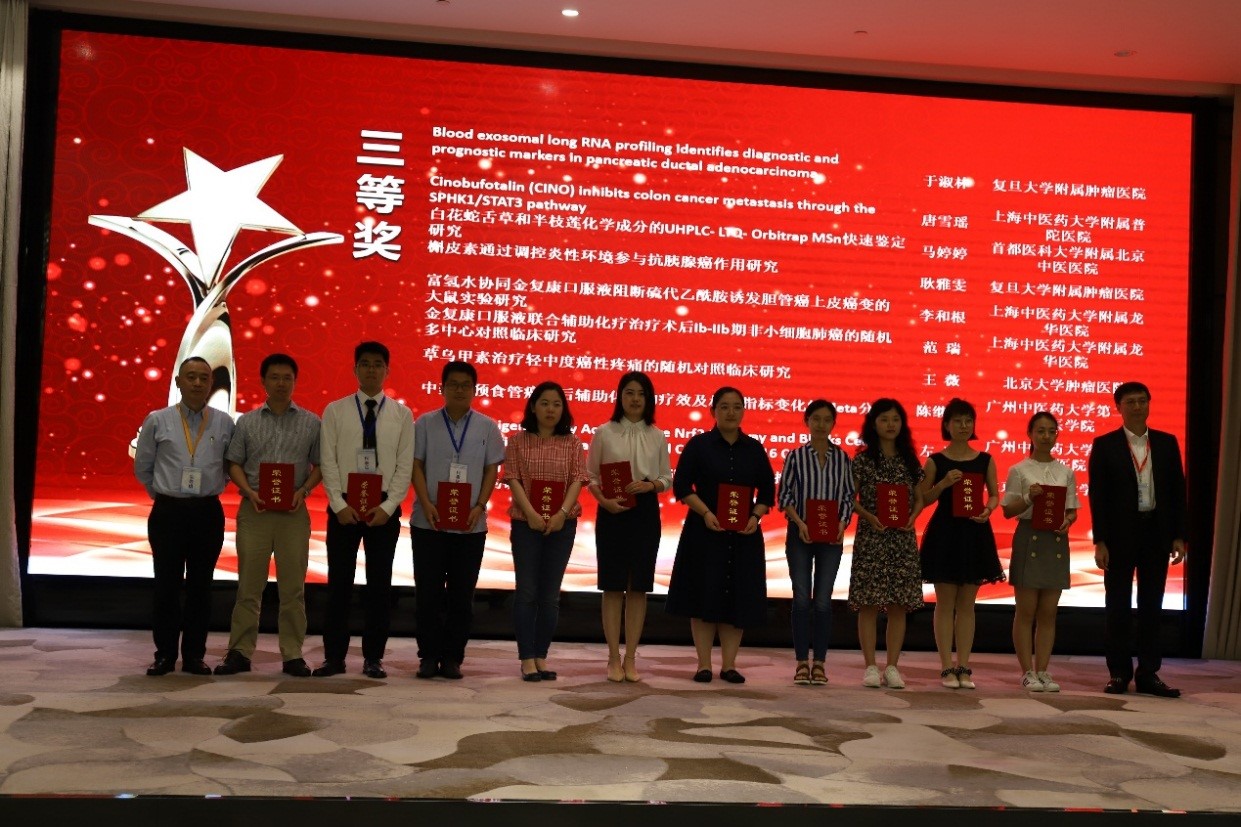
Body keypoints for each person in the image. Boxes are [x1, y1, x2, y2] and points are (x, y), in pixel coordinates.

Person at [214, 353, 322, 678]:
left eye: (287, 377)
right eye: (274, 377)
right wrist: (248, 491)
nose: (281, 383)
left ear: (295, 381)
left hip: (293, 513)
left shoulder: (311, 422)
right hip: (255, 510)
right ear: (263, 381)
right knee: (249, 586)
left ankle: (292, 654)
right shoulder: (247, 422)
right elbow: (233, 463)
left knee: (293, 589)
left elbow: (320, 465)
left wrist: (304, 491)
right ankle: (239, 652)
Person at [315, 342, 414, 679]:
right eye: (365, 364)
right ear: (355, 369)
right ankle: (334, 658)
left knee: (379, 587)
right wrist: (338, 504)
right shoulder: (335, 411)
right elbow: (328, 461)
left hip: (383, 509)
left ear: (387, 370)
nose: (371, 369)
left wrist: (389, 506)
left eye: (378, 364)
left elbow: (404, 466)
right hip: (343, 507)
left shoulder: (402, 415)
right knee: (339, 585)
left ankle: (374, 658)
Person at [133, 355, 235, 676]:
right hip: (168, 512)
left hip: (207, 512)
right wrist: (164, 495)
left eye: (204, 378)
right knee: (166, 586)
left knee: (201, 588)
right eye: (191, 377)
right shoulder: (157, 420)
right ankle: (164, 654)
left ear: (211, 383)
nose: (198, 383)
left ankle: (194, 656)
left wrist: (207, 488)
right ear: (178, 382)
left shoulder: (224, 422)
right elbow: (143, 466)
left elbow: (229, 468)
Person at [666, 387, 775, 684]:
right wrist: (705, 512)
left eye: (737, 407)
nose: (730, 412)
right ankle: (703, 665)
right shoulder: (699, 445)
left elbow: (767, 491)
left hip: (743, 535)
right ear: (713, 411)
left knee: (736, 596)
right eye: (724, 406)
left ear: (743, 411)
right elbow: (682, 486)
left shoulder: (754, 448)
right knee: (703, 595)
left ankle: (729, 665)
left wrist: (754, 516)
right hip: (705, 531)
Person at [1088, 381, 1187, 697]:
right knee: (1117, 605)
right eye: (1130, 401)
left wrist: (1179, 535)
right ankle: (1119, 673)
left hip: (1156, 532)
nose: (1137, 406)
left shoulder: (1166, 443)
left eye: (1142, 400)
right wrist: (1100, 540)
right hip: (1119, 535)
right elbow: (1098, 497)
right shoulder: (1105, 445)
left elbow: (1177, 491)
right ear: (1118, 407)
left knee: (1151, 605)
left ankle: (1148, 673)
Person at [410, 361, 504, 680]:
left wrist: (480, 505)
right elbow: (416, 465)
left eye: (466, 385)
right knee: (428, 595)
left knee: (462, 597)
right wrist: (426, 503)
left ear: (475, 390)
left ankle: (452, 657)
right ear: (442, 388)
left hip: (470, 525)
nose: (460, 390)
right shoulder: (424, 423)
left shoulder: (488, 427)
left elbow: (491, 469)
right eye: (453, 384)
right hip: (429, 522)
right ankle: (428, 656)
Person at [586, 371, 672, 683]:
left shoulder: (657, 435)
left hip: (645, 512)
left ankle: (631, 657)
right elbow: (591, 476)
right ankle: (612, 657)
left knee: (638, 587)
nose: (635, 399)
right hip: (612, 510)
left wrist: (650, 485)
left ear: (649, 399)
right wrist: (603, 501)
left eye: (641, 394)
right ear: (620, 397)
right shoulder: (604, 432)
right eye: (629, 393)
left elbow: (666, 478)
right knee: (612, 586)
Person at [504, 382, 589, 681]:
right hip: (525, 524)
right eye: (544, 403)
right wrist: (530, 514)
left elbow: (577, 480)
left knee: (550, 596)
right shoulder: (517, 442)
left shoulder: (573, 444)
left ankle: (541, 656)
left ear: (563, 409)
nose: (551, 409)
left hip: (562, 525)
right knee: (527, 592)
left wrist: (561, 514)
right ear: (533, 407)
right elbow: (513, 479)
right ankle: (526, 657)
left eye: (556, 404)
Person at [918, 398, 1004, 689]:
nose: (964, 426)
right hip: (944, 534)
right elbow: (922, 498)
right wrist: (943, 484)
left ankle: (964, 667)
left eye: (968, 420)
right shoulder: (936, 461)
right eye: (957, 421)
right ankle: (946, 667)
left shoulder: (985, 460)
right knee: (945, 604)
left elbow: (994, 495)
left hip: (974, 533)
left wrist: (988, 509)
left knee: (967, 605)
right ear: (947, 425)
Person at [848, 398, 925, 689]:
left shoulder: (909, 460)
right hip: (872, 537)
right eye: (884, 419)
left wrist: (913, 516)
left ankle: (892, 667)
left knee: (898, 605)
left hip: (902, 538)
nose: (890, 425)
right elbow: (849, 498)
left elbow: (919, 498)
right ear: (873, 424)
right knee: (868, 604)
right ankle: (870, 666)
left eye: (895, 419)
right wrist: (868, 515)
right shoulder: (863, 460)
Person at [778, 399, 854, 687]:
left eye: (827, 419)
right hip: (800, 535)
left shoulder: (842, 458)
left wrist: (842, 523)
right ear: (806, 421)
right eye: (816, 419)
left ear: (833, 424)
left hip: (831, 538)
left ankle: (819, 663)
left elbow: (848, 497)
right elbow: (784, 496)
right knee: (801, 599)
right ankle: (801, 662)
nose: (821, 424)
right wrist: (800, 523)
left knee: (823, 601)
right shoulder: (795, 456)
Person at [1002, 411, 1079, 693]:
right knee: (1026, 611)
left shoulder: (1066, 471)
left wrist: (1068, 521)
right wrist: (1028, 498)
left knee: (1048, 612)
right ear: (1030, 434)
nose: (1046, 436)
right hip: (1029, 538)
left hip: (1055, 541)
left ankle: (1043, 669)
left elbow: (1072, 510)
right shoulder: (1019, 470)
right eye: (1040, 431)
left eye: (1051, 431)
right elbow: (1008, 511)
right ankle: (1027, 671)